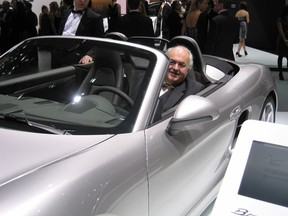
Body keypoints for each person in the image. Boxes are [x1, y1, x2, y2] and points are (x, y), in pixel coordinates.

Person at [276, 4, 288, 81]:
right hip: (282, 40)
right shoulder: (280, 19)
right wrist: (285, 40)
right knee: (280, 56)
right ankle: (280, 73)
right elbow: (280, 31)